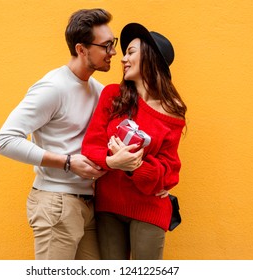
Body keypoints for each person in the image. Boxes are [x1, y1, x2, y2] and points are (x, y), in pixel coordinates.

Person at [0, 8, 117, 260]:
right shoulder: (53, 87)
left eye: (113, 44)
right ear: (81, 49)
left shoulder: (98, 90)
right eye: (106, 46)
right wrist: (67, 162)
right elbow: (4, 141)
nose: (113, 52)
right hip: (56, 202)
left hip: (88, 204)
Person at [81, 23, 187, 260]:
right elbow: (91, 147)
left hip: (149, 208)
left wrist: (136, 168)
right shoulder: (112, 96)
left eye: (130, 52)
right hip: (108, 206)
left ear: (149, 58)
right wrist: (114, 161)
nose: (122, 58)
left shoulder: (173, 112)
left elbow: (170, 172)